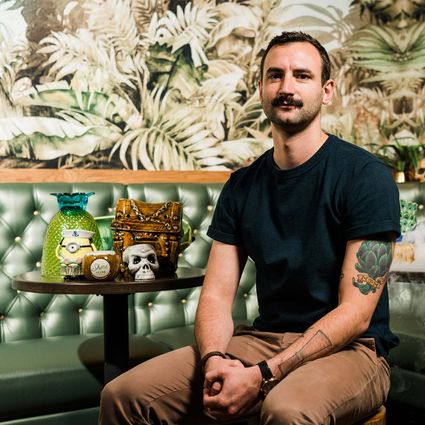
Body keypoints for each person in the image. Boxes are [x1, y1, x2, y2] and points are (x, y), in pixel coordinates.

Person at [99, 31, 400, 425]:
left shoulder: (366, 177)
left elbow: (356, 314)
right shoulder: (242, 185)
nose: (286, 87)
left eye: (302, 76)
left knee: (286, 410)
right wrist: (214, 362)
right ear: (261, 88)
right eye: (275, 75)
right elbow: (217, 298)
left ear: (326, 91)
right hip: (261, 340)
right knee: (124, 395)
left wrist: (262, 377)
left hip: (353, 351)